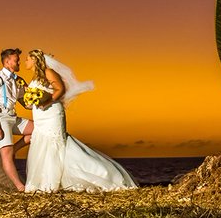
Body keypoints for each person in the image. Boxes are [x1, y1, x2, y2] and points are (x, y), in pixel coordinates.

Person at [22, 49, 137, 193]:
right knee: (42, 144)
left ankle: (96, 174)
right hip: (40, 116)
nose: (25, 61)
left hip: (52, 114)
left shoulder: (49, 72)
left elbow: (60, 89)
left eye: (27, 59)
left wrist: (47, 101)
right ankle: (42, 181)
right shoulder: (35, 77)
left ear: (35, 60)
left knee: (55, 144)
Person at [0, 47, 33, 191]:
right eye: (16, 59)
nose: (19, 62)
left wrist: (43, 100)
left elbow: (27, 104)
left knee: (39, 130)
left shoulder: (19, 81)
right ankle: (20, 187)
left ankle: (15, 149)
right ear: (7, 62)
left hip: (13, 116)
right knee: (6, 153)